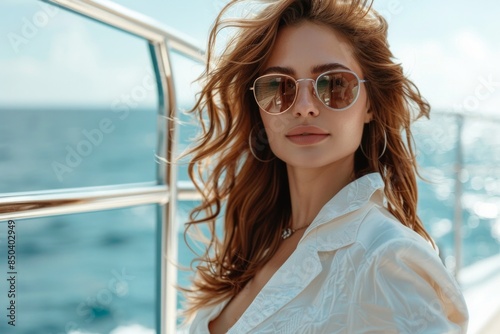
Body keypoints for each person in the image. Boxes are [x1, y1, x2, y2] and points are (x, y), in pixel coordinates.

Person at [182, 0, 469, 333]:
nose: (304, 108)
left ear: (370, 104)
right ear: (258, 108)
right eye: (279, 86)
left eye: (334, 84)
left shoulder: (386, 257)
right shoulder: (260, 238)